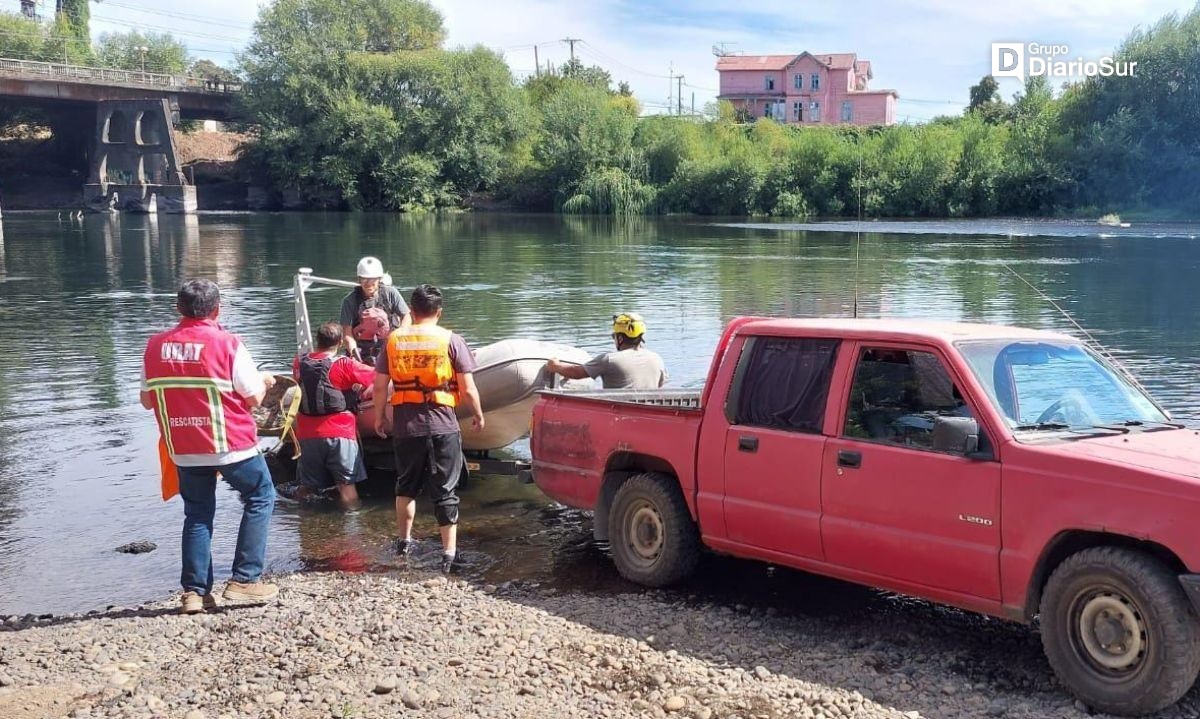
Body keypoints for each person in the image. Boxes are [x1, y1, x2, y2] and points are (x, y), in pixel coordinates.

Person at [140, 279, 279, 615]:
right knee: (261, 496)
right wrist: (265, 379)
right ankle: (245, 580)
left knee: (198, 513)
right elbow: (254, 397)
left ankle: (194, 593)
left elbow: (147, 401)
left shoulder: (155, 346)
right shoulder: (228, 344)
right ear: (218, 309)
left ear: (178, 308)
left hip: (182, 446)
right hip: (229, 443)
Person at [372, 284, 484, 572]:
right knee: (445, 490)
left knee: (406, 485)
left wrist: (378, 418)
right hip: (442, 424)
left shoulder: (393, 340)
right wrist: (478, 414)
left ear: (411, 310)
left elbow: (380, 386)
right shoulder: (451, 340)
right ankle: (449, 554)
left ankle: (404, 543)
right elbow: (468, 388)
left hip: (406, 425)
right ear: (439, 311)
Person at [292, 321, 376, 509]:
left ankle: (305, 526)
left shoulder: (299, 362)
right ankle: (353, 526)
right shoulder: (345, 364)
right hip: (340, 432)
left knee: (307, 487)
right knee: (346, 487)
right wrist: (361, 389)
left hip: (307, 434)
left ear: (317, 340)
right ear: (339, 343)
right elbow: (378, 376)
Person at [546, 312, 668, 390]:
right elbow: (661, 385)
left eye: (613, 336)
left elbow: (577, 373)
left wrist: (556, 366)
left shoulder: (610, 360)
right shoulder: (657, 359)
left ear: (620, 338)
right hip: (648, 415)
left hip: (618, 415)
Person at [340, 256, 411, 365]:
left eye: (373, 279)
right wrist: (354, 353)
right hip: (362, 350)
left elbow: (406, 316)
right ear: (359, 279)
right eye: (364, 279)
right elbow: (347, 335)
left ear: (379, 279)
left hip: (389, 345)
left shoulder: (390, 293)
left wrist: (399, 336)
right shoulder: (349, 301)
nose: (368, 283)